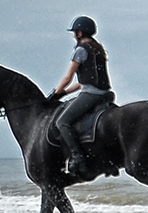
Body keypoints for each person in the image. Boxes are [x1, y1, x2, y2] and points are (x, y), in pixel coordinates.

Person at [49, 15, 115, 174]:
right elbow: (82, 82)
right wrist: (63, 93)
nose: (73, 35)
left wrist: (54, 94)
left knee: (62, 122)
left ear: (80, 33)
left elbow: (68, 77)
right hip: (105, 94)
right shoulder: (96, 49)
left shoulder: (80, 50)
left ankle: (77, 157)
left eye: (75, 32)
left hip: (92, 95)